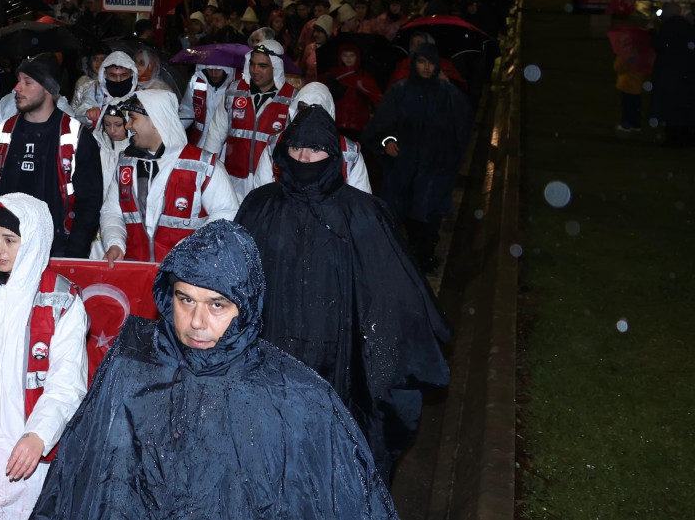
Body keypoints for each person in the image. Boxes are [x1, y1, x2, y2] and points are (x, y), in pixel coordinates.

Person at [30, 220, 399, 520]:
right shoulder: (131, 370)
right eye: (185, 299)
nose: (196, 322)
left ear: (247, 306)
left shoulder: (296, 397)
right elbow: (82, 482)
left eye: (217, 305)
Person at [236, 104, 449, 478]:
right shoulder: (260, 205)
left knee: (329, 454)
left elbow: (390, 286)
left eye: (315, 149)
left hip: (337, 355)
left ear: (333, 156)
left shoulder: (362, 212)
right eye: (296, 148)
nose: (304, 157)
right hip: (270, 348)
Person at [0, 195, 89, 520]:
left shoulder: (62, 301)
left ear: (33, 238)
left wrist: (39, 435)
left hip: (23, 440)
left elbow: (67, 386)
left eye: (10, 240)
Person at [364, 41, 475, 270]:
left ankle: (424, 258)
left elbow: (463, 126)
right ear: (414, 64)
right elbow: (381, 127)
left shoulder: (447, 93)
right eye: (422, 62)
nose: (426, 68)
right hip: (405, 168)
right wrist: (388, 141)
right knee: (402, 215)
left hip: (435, 169)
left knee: (429, 217)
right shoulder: (400, 91)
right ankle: (405, 260)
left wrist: (448, 159)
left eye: (431, 63)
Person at [0, 56, 104, 259]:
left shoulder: (76, 137)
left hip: (58, 251)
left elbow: (89, 204)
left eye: (27, 82)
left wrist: (74, 253)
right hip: (8, 251)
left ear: (49, 89)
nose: (17, 88)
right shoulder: (3, 132)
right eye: (18, 80)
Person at [98, 89, 237, 264]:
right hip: (136, 272)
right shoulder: (126, 163)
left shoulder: (203, 165)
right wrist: (115, 244)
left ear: (156, 120)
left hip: (186, 277)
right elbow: (112, 212)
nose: (128, 126)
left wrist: (189, 249)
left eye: (133, 118)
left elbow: (227, 214)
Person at [201, 41, 301, 200]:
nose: (255, 70)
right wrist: (204, 170)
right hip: (233, 178)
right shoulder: (234, 92)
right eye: (252, 64)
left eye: (262, 66)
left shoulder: (292, 98)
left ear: (275, 67)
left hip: (271, 180)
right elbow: (215, 134)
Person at [249, 82, 373, 192]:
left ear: (328, 111)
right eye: (303, 108)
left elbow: (361, 200)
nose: (308, 115)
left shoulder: (348, 150)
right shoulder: (276, 144)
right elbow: (262, 192)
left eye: (316, 109)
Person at [651, 3, 695, 147]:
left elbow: (660, 46)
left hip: (670, 73)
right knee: (685, 106)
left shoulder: (668, 27)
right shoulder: (688, 26)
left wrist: (651, 32)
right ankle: (687, 136)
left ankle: (673, 139)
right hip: (687, 73)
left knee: (670, 107)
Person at [322, 37, 385, 137]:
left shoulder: (364, 77)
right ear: (340, 57)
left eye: (352, 55)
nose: (348, 58)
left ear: (357, 57)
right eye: (345, 55)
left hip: (358, 126)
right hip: (335, 124)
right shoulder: (332, 74)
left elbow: (377, 99)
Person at [385, 30, 468, 91]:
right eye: (412, 44)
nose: (415, 48)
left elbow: (461, 90)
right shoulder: (403, 65)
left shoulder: (443, 64)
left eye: (419, 44)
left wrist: (447, 81)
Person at [182, 63, 233, 148]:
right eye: (210, 69)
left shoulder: (235, 86)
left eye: (218, 70)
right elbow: (187, 111)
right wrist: (171, 131)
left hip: (226, 147)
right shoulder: (195, 82)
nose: (214, 74)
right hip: (199, 143)